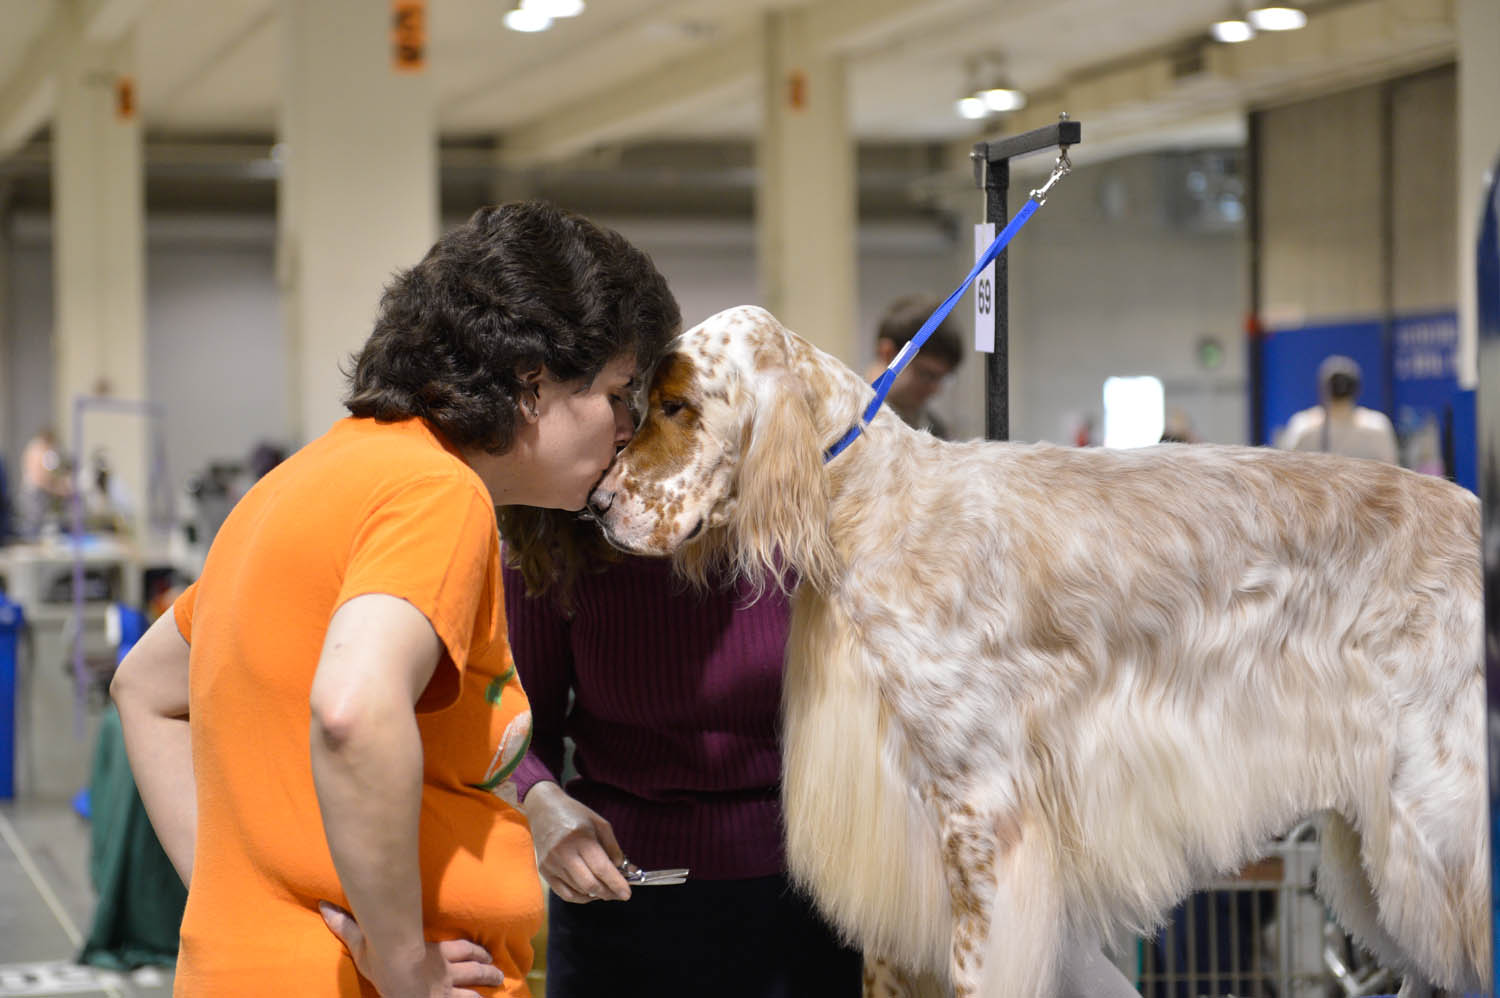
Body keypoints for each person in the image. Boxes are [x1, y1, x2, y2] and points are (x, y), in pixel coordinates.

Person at [109, 200, 680, 997]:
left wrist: (243, 893)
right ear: (532, 380)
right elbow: (352, 710)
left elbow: (145, 686)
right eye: (618, 393)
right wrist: (403, 959)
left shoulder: (305, 480)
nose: (626, 427)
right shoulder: (435, 493)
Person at [496, 506, 864, 996]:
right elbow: (518, 730)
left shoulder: (803, 525)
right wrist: (540, 801)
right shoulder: (554, 537)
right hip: (617, 900)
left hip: (804, 895)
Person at [863, 295, 964, 439]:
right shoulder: (846, 426)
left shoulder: (936, 430)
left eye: (943, 378)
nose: (936, 389)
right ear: (887, 353)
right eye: (927, 375)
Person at [1279, 355, 1398, 463]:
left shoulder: (1303, 427)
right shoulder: (1377, 425)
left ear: (1323, 389)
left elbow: (1286, 471)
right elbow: (1393, 470)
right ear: (1357, 389)